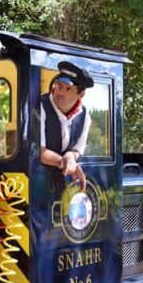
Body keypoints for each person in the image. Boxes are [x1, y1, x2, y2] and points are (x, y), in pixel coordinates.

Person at [40, 61, 94, 191]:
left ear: (80, 94)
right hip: (36, 180)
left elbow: (78, 149)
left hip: (64, 184)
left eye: (68, 88)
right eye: (59, 85)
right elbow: (37, 152)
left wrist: (71, 155)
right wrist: (68, 164)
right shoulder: (39, 106)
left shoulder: (85, 116)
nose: (60, 92)